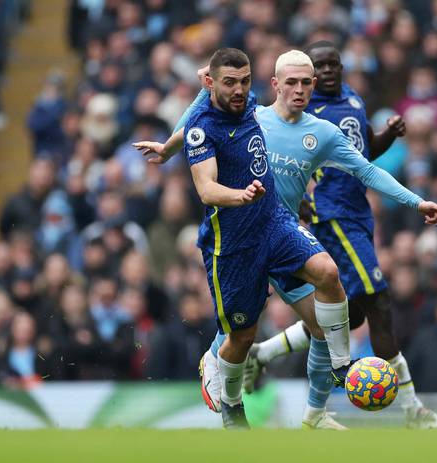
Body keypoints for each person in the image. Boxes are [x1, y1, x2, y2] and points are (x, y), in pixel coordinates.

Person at [135, 48, 437, 428]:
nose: (299, 90)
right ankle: (222, 377)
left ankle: (318, 410)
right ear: (276, 85)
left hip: (281, 230)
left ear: (313, 86)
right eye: (292, 82)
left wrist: (416, 202)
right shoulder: (253, 116)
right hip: (238, 237)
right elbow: (200, 123)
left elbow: (368, 172)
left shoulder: (323, 134)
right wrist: (169, 147)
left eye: (305, 83)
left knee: (327, 303)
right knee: (241, 335)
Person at [139, 48, 353, 429]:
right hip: (233, 245)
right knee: (241, 336)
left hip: (274, 224)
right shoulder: (204, 127)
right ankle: (232, 407)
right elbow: (205, 189)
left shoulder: (245, 99)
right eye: (229, 83)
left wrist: (167, 147)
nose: (239, 90)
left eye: (244, 81)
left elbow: (213, 71)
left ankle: (342, 365)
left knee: (327, 272)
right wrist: (240, 195)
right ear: (210, 85)